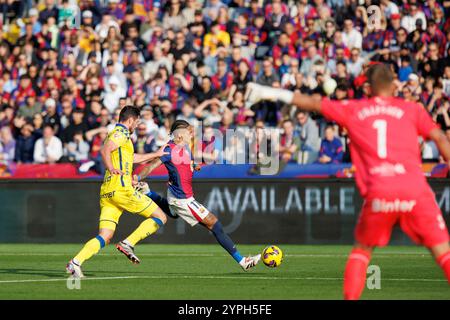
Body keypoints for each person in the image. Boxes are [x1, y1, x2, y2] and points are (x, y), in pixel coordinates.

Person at [245, 63, 450, 299]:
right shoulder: (412, 109)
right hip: (414, 189)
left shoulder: (355, 109)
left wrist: (267, 92)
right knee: (443, 254)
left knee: (362, 252)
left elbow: (312, 103)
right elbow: (440, 137)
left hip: (380, 191)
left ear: (369, 87)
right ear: (394, 85)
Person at [132, 120, 261, 271]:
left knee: (173, 213)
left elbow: (182, 164)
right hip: (183, 199)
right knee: (214, 223)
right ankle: (243, 261)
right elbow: (151, 165)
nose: (191, 134)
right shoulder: (168, 150)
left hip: (176, 194)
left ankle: (147, 192)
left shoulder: (184, 148)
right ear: (179, 136)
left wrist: (192, 166)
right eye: (188, 132)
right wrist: (137, 178)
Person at [66, 106, 169, 278]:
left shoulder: (123, 137)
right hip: (121, 189)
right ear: (130, 120)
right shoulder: (120, 133)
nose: (137, 125)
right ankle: (128, 243)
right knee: (160, 217)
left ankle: (75, 262)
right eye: (136, 122)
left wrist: (155, 154)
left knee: (105, 236)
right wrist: (111, 167)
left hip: (108, 193)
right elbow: (105, 149)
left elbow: (133, 158)